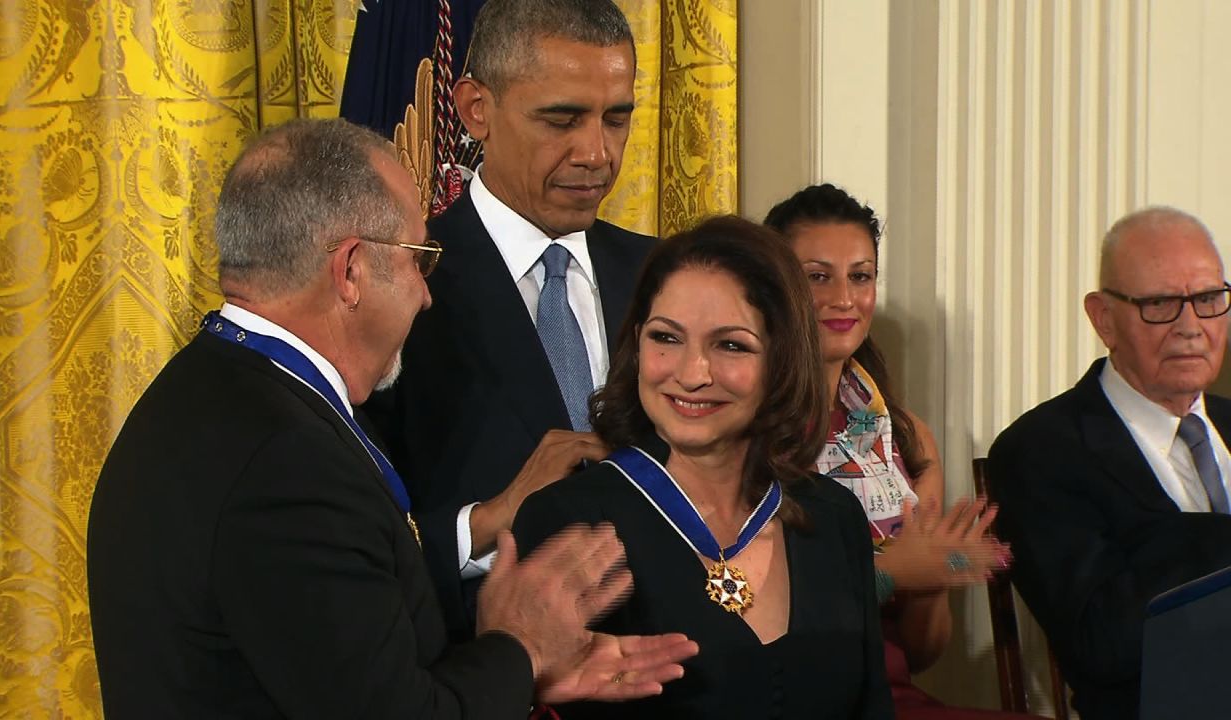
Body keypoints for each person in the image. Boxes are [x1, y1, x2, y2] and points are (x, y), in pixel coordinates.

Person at [85, 118, 696, 719]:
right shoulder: (286, 462)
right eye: (419, 260)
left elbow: (342, 629)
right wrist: (521, 650)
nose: (427, 293)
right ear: (350, 272)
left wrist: (515, 668)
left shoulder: (207, 388)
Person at [512, 216, 895, 718]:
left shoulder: (832, 514)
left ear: (782, 361)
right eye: (666, 338)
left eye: (730, 345)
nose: (692, 374)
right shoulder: (568, 523)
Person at [363, 0, 655, 640]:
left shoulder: (664, 276)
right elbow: (355, 540)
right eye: (562, 119)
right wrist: (484, 522)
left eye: (616, 118)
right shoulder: (398, 286)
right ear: (476, 110)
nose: (597, 153)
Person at [765, 184, 1029, 720]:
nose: (844, 298)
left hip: (889, 697)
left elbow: (920, 655)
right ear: (772, 288)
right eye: (818, 277)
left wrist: (937, 577)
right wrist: (891, 570)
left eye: (860, 276)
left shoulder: (906, 438)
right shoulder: (739, 426)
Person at [988, 206, 1231, 720]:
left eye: (1208, 300)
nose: (1191, 327)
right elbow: (1100, 640)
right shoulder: (1041, 452)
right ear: (1104, 318)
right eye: (1161, 304)